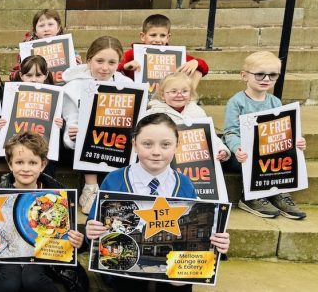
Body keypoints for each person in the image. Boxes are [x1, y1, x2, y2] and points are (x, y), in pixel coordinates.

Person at [85, 113, 231, 292]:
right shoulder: (115, 180)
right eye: (147, 144)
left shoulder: (184, 184)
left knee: (178, 283)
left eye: (166, 144)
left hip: (171, 269)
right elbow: (93, 225)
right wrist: (91, 230)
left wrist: (218, 243)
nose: (156, 151)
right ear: (134, 145)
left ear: (177, 146)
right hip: (124, 270)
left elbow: (201, 229)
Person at [0, 131, 87, 292]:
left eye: (32, 163)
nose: (26, 169)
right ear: (10, 164)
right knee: (10, 281)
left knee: (32, 279)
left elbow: (71, 238)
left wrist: (79, 242)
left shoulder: (58, 194)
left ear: (43, 164)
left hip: (42, 255)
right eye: (19, 162)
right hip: (7, 254)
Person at [221, 51, 307, 219]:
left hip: (267, 150)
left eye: (272, 75)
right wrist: (237, 147)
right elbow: (230, 131)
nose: (266, 79)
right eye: (260, 74)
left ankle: (278, 192)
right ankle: (250, 196)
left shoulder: (275, 102)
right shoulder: (237, 102)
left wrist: (296, 141)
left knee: (286, 154)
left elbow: (282, 130)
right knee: (256, 157)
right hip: (240, 154)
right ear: (245, 76)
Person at [61, 36, 133, 215]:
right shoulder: (73, 87)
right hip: (81, 148)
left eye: (112, 62)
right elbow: (71, 119)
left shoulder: (128, 86)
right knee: (90, 132)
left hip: (117, 146)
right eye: (99, 61)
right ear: (89, 60)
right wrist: (73, 134)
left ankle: (118, 189)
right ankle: (90, 187)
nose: (105, 68)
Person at [0, 55, 64, 176]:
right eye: (29, 75)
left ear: (46, 74)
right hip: (19, 149)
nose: (33, 79)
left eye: (38, 75)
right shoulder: (12, 94)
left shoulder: (55, 96)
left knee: (46, 165)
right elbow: (3, 117)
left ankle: (46, 188)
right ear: (21, 75)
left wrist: (61, 124)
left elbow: (61, 127)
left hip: (44, 150)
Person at [146, 72, 230, 162]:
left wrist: (221, 149)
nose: (179, 94)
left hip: (193, 162)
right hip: (164, 161)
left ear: (191, 94)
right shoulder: (153, 114)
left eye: (184, 91)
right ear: (163, 95)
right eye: (174, 91)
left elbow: (210, 135)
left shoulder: (197, 112)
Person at [118, 14, 209, 93]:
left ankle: (189, 99)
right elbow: (114, 67)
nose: (158, 40)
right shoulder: (133, 53)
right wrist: (125, 66)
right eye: (153, 35)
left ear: (168, 37)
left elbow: (204, 67)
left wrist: (196, 62)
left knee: (197, 69)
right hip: (141, 95)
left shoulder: (173, 54)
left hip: (170, 97)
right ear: (143, 36)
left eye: (162, 36)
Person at [9, 9, 81, 83]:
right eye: (41, 26)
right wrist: (22, 73)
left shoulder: (68, 48)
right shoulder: (27, 49)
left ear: (58, 28)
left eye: (50, 24)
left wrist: (77, 65)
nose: (46, 29)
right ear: (35, 31)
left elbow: (76, 76)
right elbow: (13, 75)